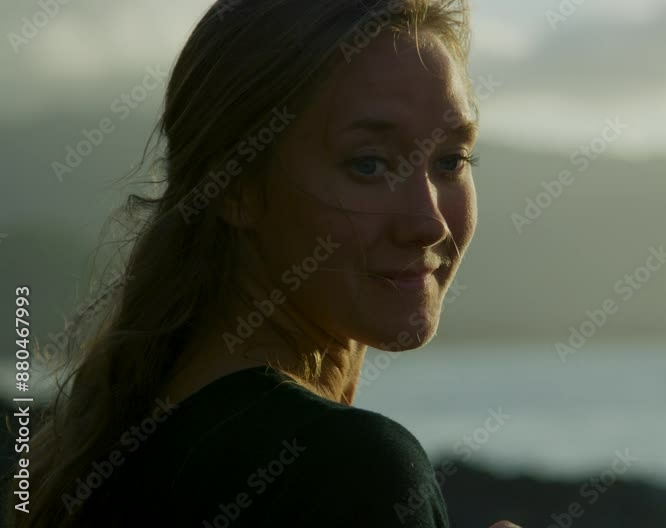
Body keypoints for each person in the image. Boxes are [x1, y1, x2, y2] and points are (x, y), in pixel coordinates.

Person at [9, 1, 520, 526]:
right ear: (235, 186)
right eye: (368, 164)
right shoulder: (348, 471)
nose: (428, 222)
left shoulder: (112, 452)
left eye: (451, 160)